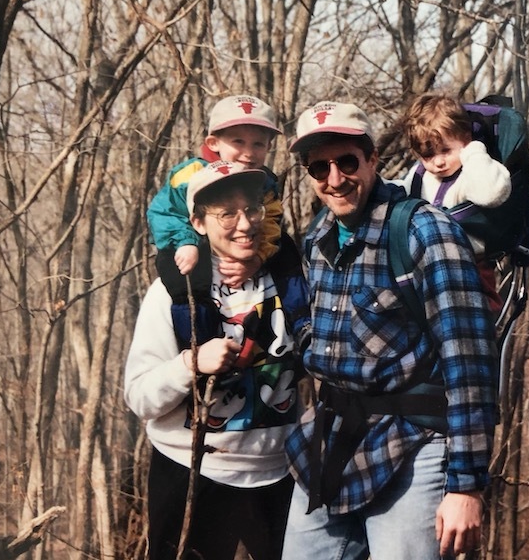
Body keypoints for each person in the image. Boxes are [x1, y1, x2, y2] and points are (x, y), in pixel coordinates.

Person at [281, 101, 499, 560]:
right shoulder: (318, 238)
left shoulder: (424, 230)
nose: (335, 179)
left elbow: (469, 361)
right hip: (331, 440)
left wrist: (466, 485)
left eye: (347, 162)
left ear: (372, 159)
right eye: (320, 168)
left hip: (414, 443)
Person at [125, 161, 300, 560]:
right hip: (192, 469)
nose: (245, 224)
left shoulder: (291, 278)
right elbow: (139, 397)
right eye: (227, 214)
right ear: (198, 223)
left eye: (252, 209)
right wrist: (190, 363)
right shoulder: (174, 291)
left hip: (279, 474)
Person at [147, 92, 310, 345]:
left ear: (269, 146)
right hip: (190, 239)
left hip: (241, 243)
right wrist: (185, 241)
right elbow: (163, 211)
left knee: (285, 248)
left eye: (258, 144)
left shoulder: (264, 180)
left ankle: (301, 322)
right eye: (238, 142)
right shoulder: (191, 173)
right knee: (180, 271)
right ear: (213, 143)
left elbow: (271, 220)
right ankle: (196, 340)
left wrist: (258, 257)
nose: (249, 153)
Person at [393, 92, 511, 313]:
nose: (438, 162)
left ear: (465, 139)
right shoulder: (420, 175)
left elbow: (491, 193)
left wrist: (473, 151)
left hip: (471, 265)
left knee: (476, 317)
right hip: (427, 264)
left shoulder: (474, 170)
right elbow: (400, 194)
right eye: (427, 155)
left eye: (446, 151)